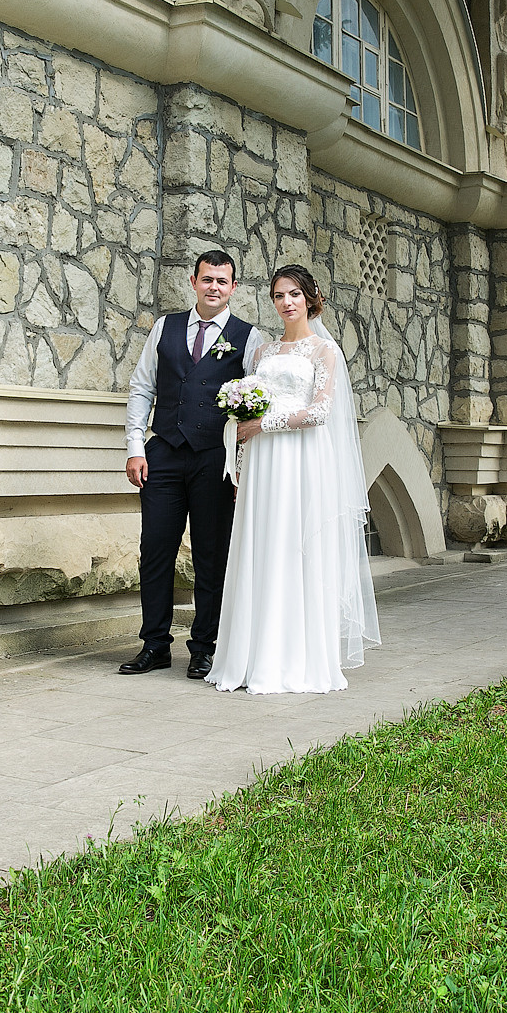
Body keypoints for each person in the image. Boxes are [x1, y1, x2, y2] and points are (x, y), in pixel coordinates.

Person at [208, 265, 381, 693]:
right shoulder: (262, 353)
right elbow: (247, 411)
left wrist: (263, 425)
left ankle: (295, 660)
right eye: (278, 296)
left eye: (294, 294)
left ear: (309, 298)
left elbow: (321, 413)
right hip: (262, 466)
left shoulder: (325, 352)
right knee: (260, 546)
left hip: (301, 462)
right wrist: (241, 453)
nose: (286, 303)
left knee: (295, 548)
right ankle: (251, 658)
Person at [120, 251, 262, 678]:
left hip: (213, 460)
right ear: (193, 281)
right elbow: (142, 386)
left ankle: (204, 646)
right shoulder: (165, 327)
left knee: (211, 554)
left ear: (234, 287)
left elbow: (253, 405)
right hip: (162, 452)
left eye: (222, 281)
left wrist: (241, 467)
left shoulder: (248, 337)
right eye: (207, 279)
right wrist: (135, 445)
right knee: (155, 551)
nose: (214, 287)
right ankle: (155, 645)